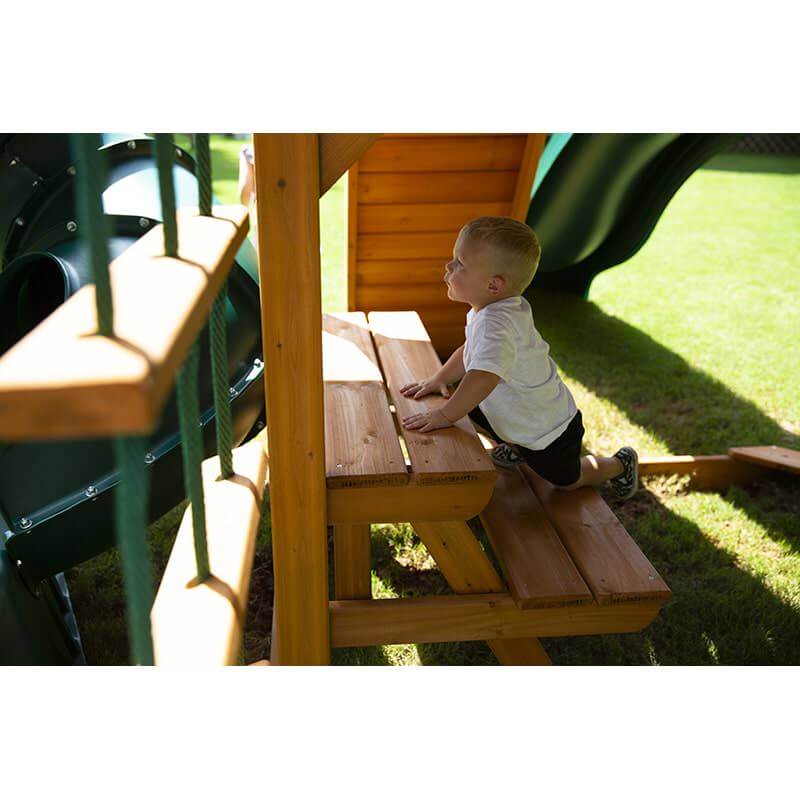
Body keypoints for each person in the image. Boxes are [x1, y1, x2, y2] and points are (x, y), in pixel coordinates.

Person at [399, 216, 638, 500]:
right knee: (469, 405)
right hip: (516, 416)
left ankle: (619, 465)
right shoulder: (489, 310)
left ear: (493, 286)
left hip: (547, 432)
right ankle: (514, 446)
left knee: (567, 480)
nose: (449, 266)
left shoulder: (496, 324)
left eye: (460, 263)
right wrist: (438, 379)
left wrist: (445, 415)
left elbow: (483, 376)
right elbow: (470, 351)